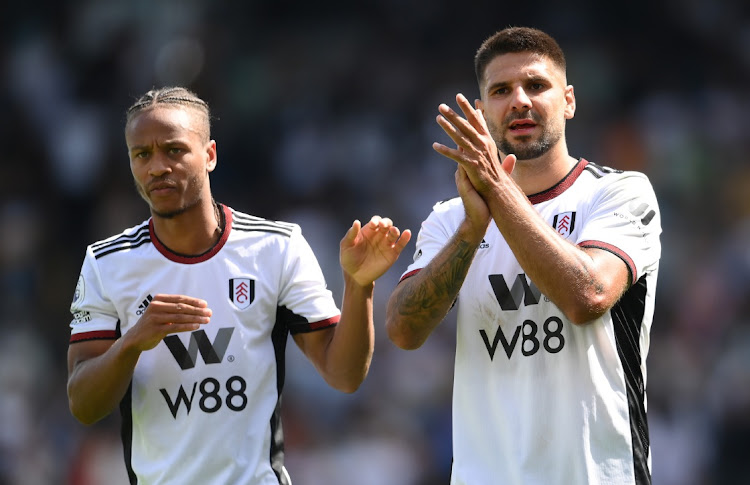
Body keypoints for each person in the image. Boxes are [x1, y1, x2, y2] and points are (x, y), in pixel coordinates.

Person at [66, 86, 411, 485]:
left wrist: (358, 285)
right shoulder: (107, 262)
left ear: (209, 154)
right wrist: (131, 344)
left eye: (174, 150)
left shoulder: (276, 247)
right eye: (141, 154)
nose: (157, 166)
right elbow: (83, 405)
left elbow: (344, 375)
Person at [386, 27, 661, 485]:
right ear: (482, 111)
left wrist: (496, 190)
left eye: (536, 85)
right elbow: (403, 330)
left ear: (568, 100)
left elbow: (587, 296)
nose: (519, 100)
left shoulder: (619, 192)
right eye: (500, 90)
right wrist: (473, 227)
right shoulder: (451, 220)